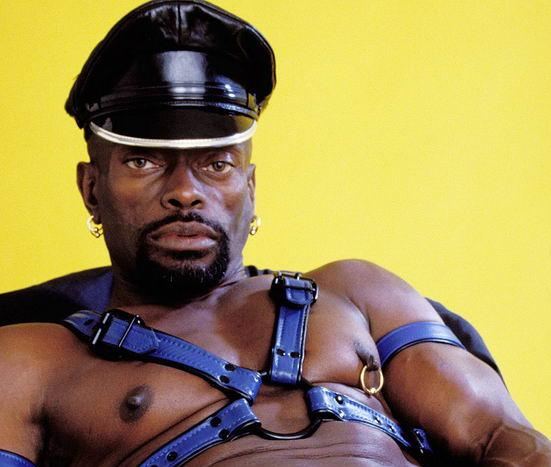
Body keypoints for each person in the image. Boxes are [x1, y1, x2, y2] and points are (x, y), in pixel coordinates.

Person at [0, 1, 549, 465]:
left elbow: (496, 435)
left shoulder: (358, 293)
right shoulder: (30, 360)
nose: (185, 191)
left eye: (217, 164)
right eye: (144, 162)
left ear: (251, 186)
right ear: (92, 189)